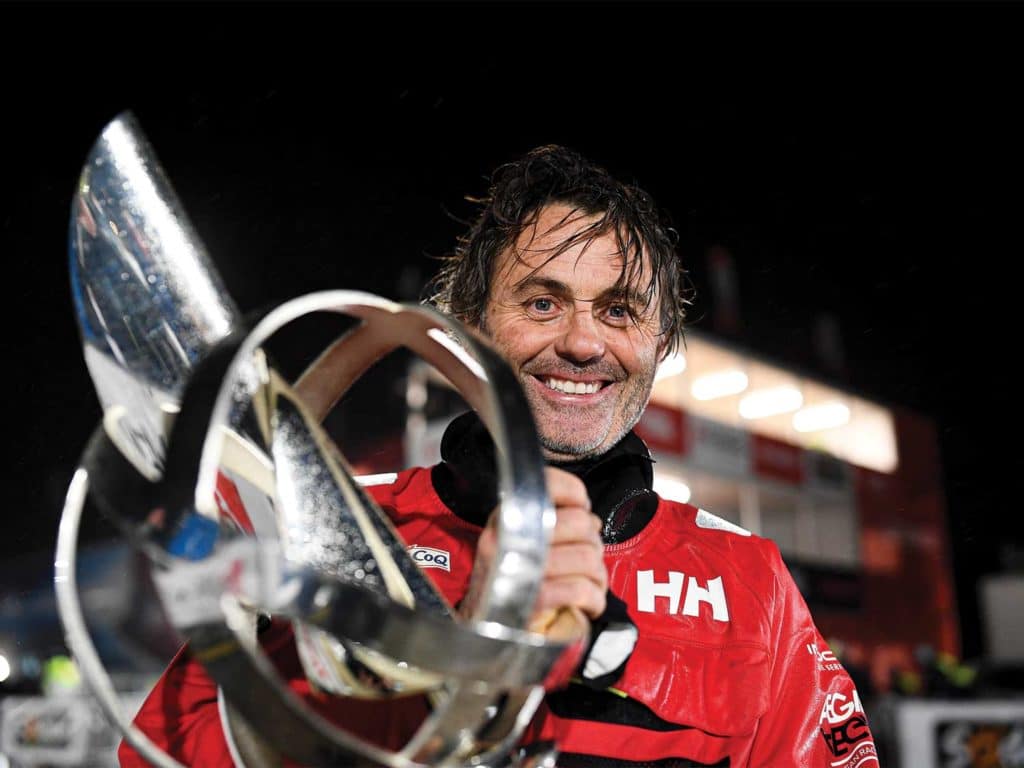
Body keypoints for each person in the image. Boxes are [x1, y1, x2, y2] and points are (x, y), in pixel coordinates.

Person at [119, 145, 878, 766]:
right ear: (467, 328)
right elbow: (167, 758)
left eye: (620, 310)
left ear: (659, 343)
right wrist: (462, 659)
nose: (583, 343)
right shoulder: (323, 525)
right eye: (542, 303)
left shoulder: (750, 581)